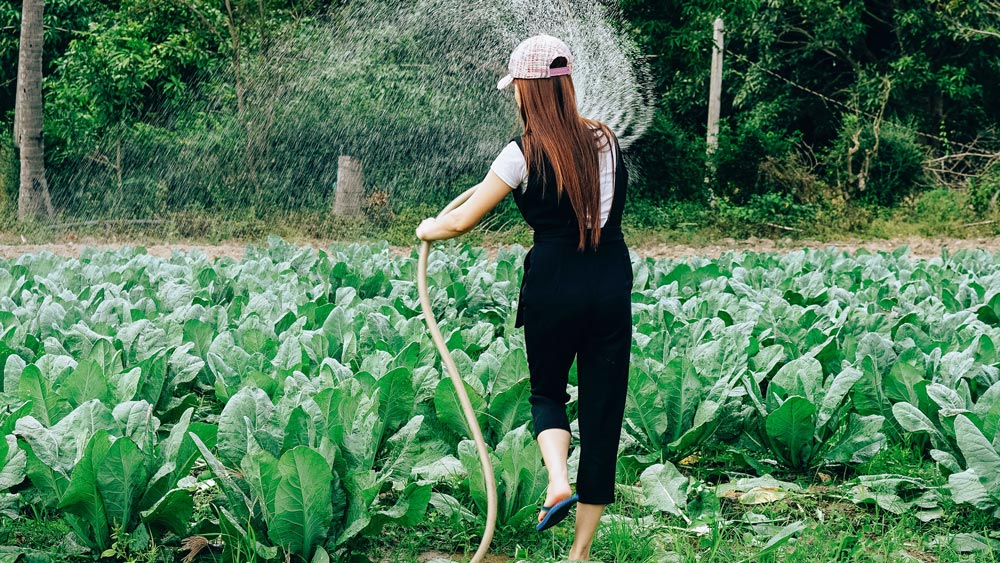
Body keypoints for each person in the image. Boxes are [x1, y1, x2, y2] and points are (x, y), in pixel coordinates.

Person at [416, 34, 632, 562]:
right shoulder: (605, 139)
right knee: (603, 411)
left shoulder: (520, 153)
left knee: (547, 392)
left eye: (516, 88)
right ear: (566, 85)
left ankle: (557, 480)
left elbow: (461, 221)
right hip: (608, 278)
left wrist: (427, 228)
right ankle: (579, 553)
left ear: (527, 92)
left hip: (554, 282)